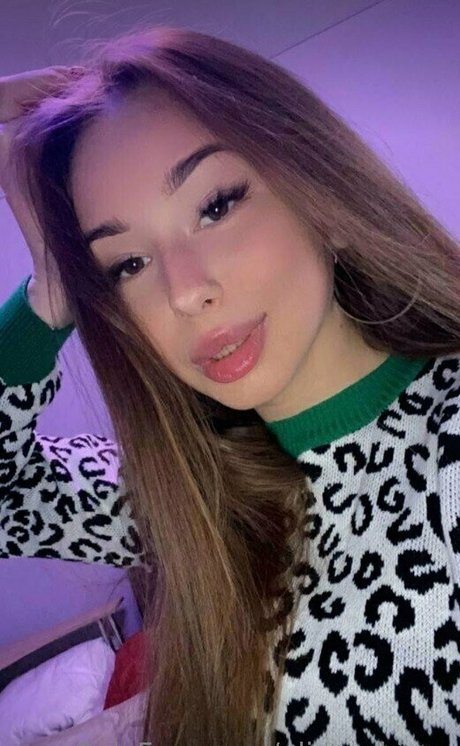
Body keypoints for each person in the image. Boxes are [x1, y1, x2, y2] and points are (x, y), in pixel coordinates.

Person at [0, 25, 459, 746]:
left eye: (215, 206)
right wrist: (52, 292)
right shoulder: (195, 498)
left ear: (322, 197)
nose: (185, 292)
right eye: (126, 265)